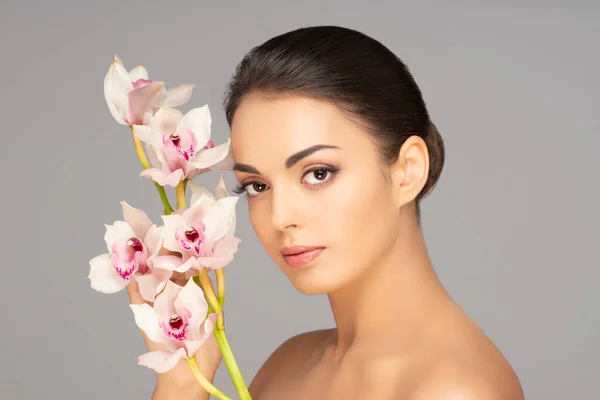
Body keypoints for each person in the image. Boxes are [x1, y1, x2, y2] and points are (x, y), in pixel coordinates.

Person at [127, 25, 526, 399]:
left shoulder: (454, 390)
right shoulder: (289, 364)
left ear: (408, 171)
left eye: (318, 173)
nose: (281, 217)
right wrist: (183, 383)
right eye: (257, 186)